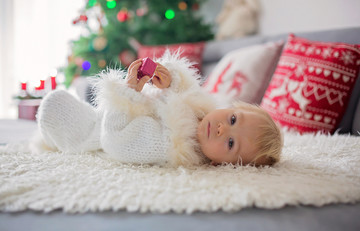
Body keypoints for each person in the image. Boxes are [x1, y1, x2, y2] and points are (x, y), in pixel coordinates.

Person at [37, 52, 282, 167]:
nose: (221, 128)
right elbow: (181, 95)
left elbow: (116, 140)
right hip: (106, 113)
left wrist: (129, 90)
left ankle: (51, 137)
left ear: (224, 165)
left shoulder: (170, 145)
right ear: (230, 108)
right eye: (232, 119)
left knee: (54, 103)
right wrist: (170, 82)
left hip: (94, 132)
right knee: (64, 99)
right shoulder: (200, 110)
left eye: (230, 143)